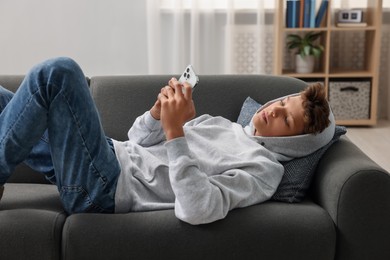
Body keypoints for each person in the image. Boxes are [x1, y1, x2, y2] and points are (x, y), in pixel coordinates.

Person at [0, 57, 334, 225]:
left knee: (59, 72)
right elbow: (136, 140)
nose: (274, 111)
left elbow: (199, 209)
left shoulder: (264, 171)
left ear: (295, 143)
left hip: (105, 187)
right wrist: (158, 115)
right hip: (105, 156)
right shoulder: (222, 125)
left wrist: (176, 133)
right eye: (280, 104)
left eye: (286, 119)